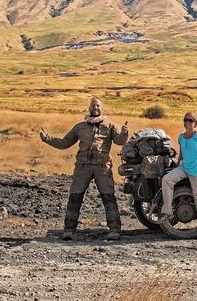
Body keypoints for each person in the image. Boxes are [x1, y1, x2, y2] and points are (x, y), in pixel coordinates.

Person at [39, 97, 129, 241]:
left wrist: (124, 133)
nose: (95, 108)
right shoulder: (80, 127)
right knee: (75, 197)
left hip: (102, 166)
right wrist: (47, 138)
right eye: (93, 105)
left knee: (108, 198)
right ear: (89, 108)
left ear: (102, 108)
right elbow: (65, 143)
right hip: (82, 166)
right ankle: (69, 230)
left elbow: (120, 141)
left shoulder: (110, 125)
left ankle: (114, 230)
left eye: (98, 105)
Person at [161, 111, 197, 240]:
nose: (187, 122)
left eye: (190, 120)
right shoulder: (181, 137)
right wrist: (177, 165)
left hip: (196, 171)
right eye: (185, 120)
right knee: (166, 180)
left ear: (195, 123)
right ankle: (167, 211)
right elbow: (182, 153)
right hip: (184, 167)